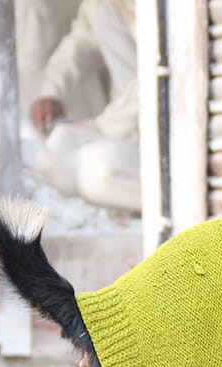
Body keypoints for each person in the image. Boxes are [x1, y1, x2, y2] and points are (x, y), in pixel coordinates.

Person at [28, 0, 140, 212]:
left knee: (98, 172)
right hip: (129, 133)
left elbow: (163, 81)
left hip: (177, 141)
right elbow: (82, 40)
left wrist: (102, 126)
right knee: (50, 159)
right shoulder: (105, 5)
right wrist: (51, 92)